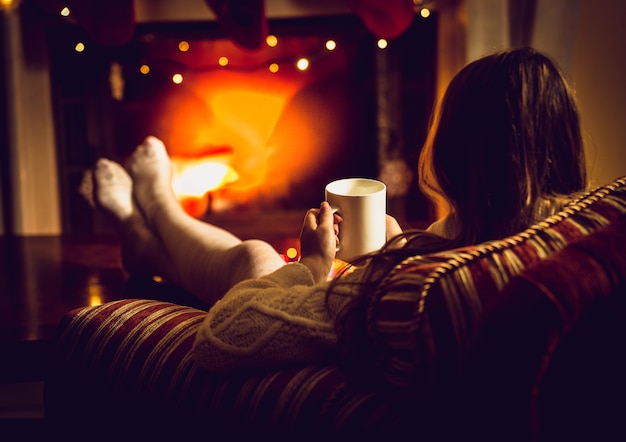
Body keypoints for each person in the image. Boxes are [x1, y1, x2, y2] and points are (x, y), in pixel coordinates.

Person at [88, 47, 587, 373]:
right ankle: (145, 242)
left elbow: (224, 333)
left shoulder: (416, 290)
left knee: (259, 259)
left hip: (334, 339)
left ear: (456, 153)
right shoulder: (571, 230)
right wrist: (398, 243)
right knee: (254, 259)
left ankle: (155, 210)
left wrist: (311, 267)